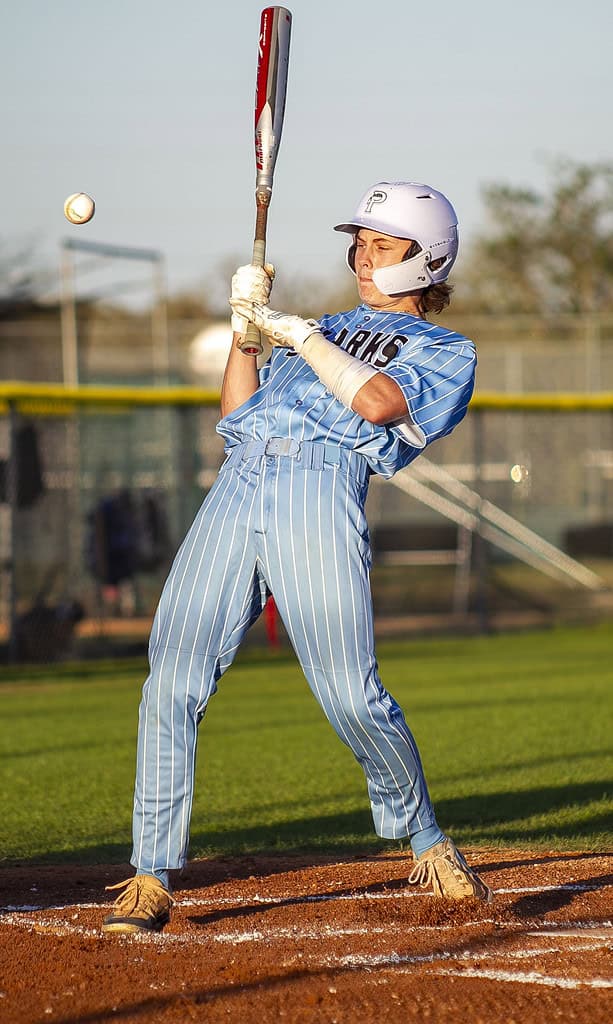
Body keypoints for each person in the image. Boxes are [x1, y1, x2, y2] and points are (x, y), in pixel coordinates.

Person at [102, 180, 492, 934]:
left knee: (350, 694)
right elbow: (236, 413)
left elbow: (377, 405)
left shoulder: (446, 350)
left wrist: (303, 337)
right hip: (239, 482)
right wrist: (246, 332)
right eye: (360, 242)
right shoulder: (322, 324)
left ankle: (425, 839)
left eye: (382, 244)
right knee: (170, 680)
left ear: (428, 259)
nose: (362, 255)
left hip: (321, 484)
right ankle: (149, 874)